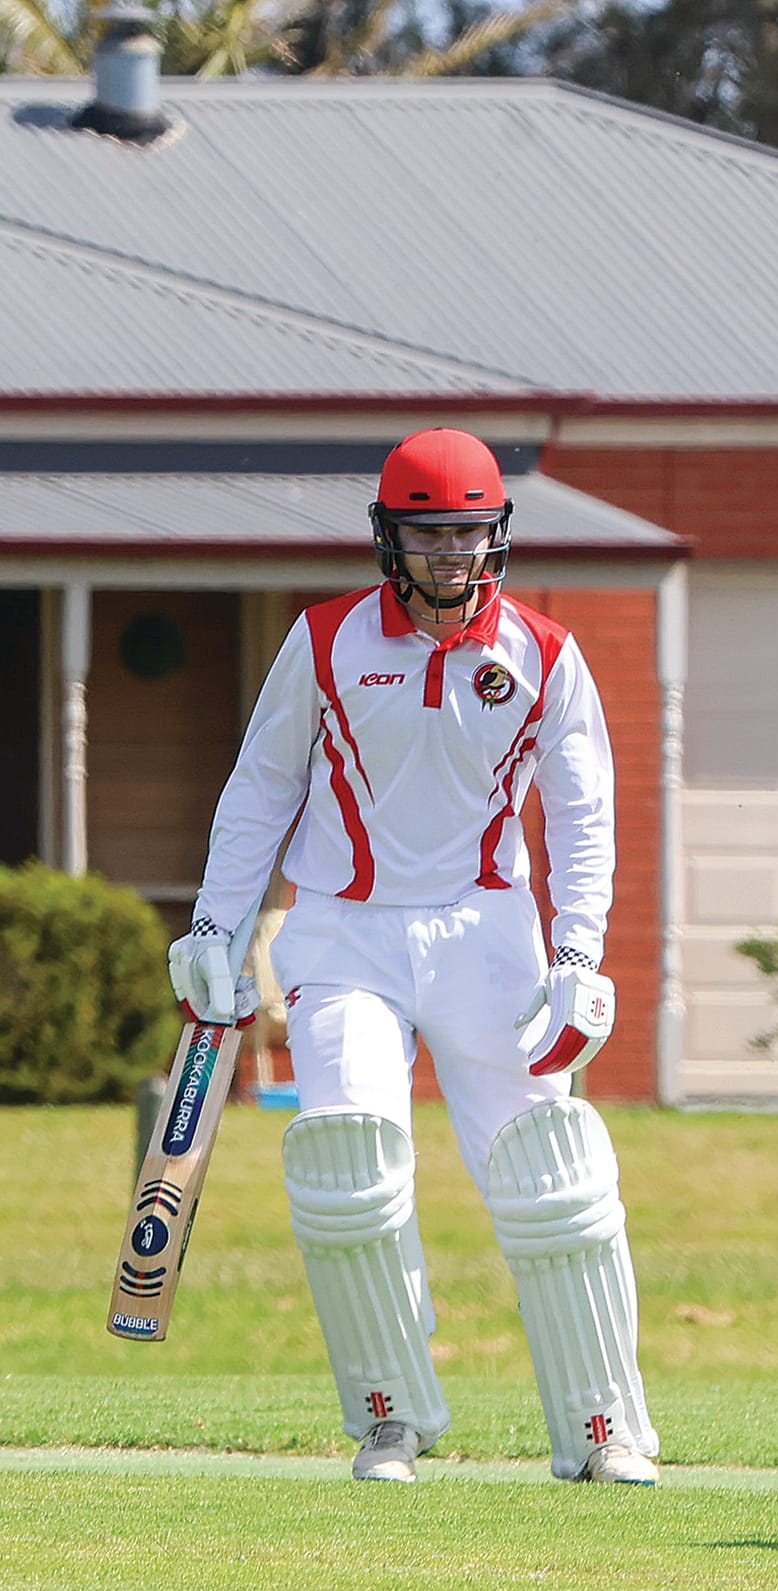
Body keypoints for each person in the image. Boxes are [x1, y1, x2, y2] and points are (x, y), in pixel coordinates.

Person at [167, 428, 657, 1486]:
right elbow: (261, 788)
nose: (450, 559)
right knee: (348, 1157)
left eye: (469, 537)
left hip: (490, 934)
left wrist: (578, 951)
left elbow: (583, 815)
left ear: (499, 539)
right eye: (428, 538)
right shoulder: (326, 639)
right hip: (344, 932)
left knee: (551, 1174)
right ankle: (390, 1416)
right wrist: (215, 926)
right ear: (389, 539)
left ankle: (601, 1426)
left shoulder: (543, 655)